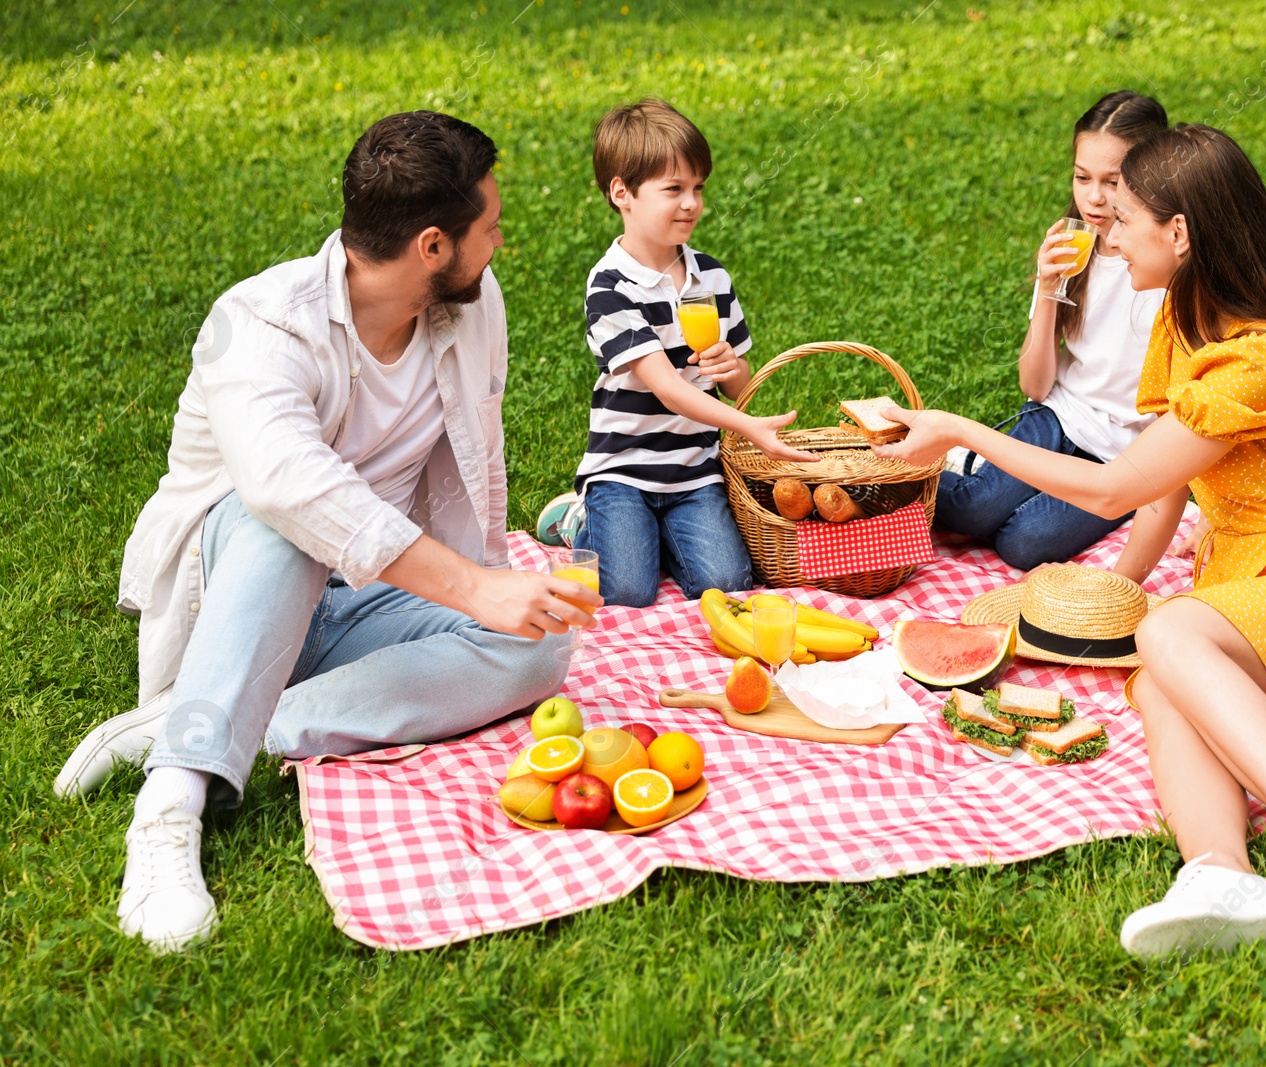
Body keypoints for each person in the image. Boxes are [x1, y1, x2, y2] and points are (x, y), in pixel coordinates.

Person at [873, 125, 1266, 968]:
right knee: (1162, 662)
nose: (1107, 230)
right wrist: (1114, 590)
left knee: (1173, 635)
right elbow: (1169, 481)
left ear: (1178, 234)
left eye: (1127, 218)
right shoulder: (1185, 318)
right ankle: (1221, 872)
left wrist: (960, 431)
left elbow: (1117, 486)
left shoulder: (1260, 359)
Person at [54, 111, 602, 955]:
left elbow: (476, 463)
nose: (499, 243)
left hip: (370, 592)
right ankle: (169, 805)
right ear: (430, 245)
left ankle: (224, 721)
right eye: (488, 227)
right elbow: (291, 491)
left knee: (540, 646)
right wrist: (474, 588)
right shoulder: (261, 324)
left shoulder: (471, 303)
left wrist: (496, 589)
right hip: (240, 587)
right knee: (289, 525)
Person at [534, 99, 816, 606]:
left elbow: (738, 382)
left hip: (694, 468)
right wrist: (746, 427)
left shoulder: (712, 276)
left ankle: (653, 535)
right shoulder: (611, 286)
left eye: (697, 188)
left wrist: (733, 368)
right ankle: (582, 518)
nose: (691, 203)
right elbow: (666, 387)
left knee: (728, 584)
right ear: (622, 193)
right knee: (626, 590)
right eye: (673, 189)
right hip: (624, 468)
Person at [936, 90, 1186, 580]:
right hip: (1059, 417)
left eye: (1112, 182)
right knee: (970, 511)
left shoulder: (1165, 269)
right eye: (1081, 177)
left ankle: (970, 464)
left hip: (1120, 454)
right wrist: (1049, 289)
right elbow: (1035, 386)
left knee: (1023, 542)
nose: (1094, 198)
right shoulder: (1073, 248)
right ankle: (888, 475)